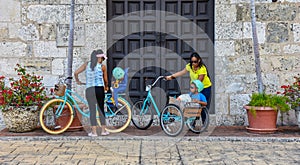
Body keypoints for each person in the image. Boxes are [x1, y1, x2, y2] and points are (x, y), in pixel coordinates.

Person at [74, 49, 109, 137]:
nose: (102, 60)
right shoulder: (102, 67)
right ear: (99, 58)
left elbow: (76, 73)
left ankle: (94, 132)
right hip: (99, 89)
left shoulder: (86, 65)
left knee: (92, 110)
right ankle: (103, 131)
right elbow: (105, 80)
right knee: (101, 110)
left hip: (89, 90)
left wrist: (78, 80)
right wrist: (106, 87)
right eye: (102, 58)